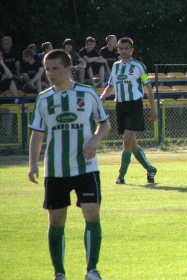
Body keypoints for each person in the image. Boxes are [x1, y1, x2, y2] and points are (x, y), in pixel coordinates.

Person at [28, 49, 110, 280]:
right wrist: (33, 164)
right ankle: (59, 273)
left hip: (86, 167)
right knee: (56, 220)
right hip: (55, 169)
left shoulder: (87, 93)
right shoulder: (43, 98)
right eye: (47, 69)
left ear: (68, 68)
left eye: (55, 68)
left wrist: (94, 139)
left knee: (92, 213)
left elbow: (104, 124)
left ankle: (92, 270)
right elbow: (37, 133)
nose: (50, 73)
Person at [100, 37, 158, 184]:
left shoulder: (139, 66)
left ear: (132, 50)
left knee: (126, 141)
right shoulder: (115, 66)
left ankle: (121, 176)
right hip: (120, 106)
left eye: (127, 48)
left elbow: (148, 87)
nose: (124, 51)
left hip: (134, 105)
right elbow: (111, 85)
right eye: (121, 48)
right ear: (118, 50)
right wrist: (102, 97)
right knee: (132, 144)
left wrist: (153, 109)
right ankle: (150, 169)